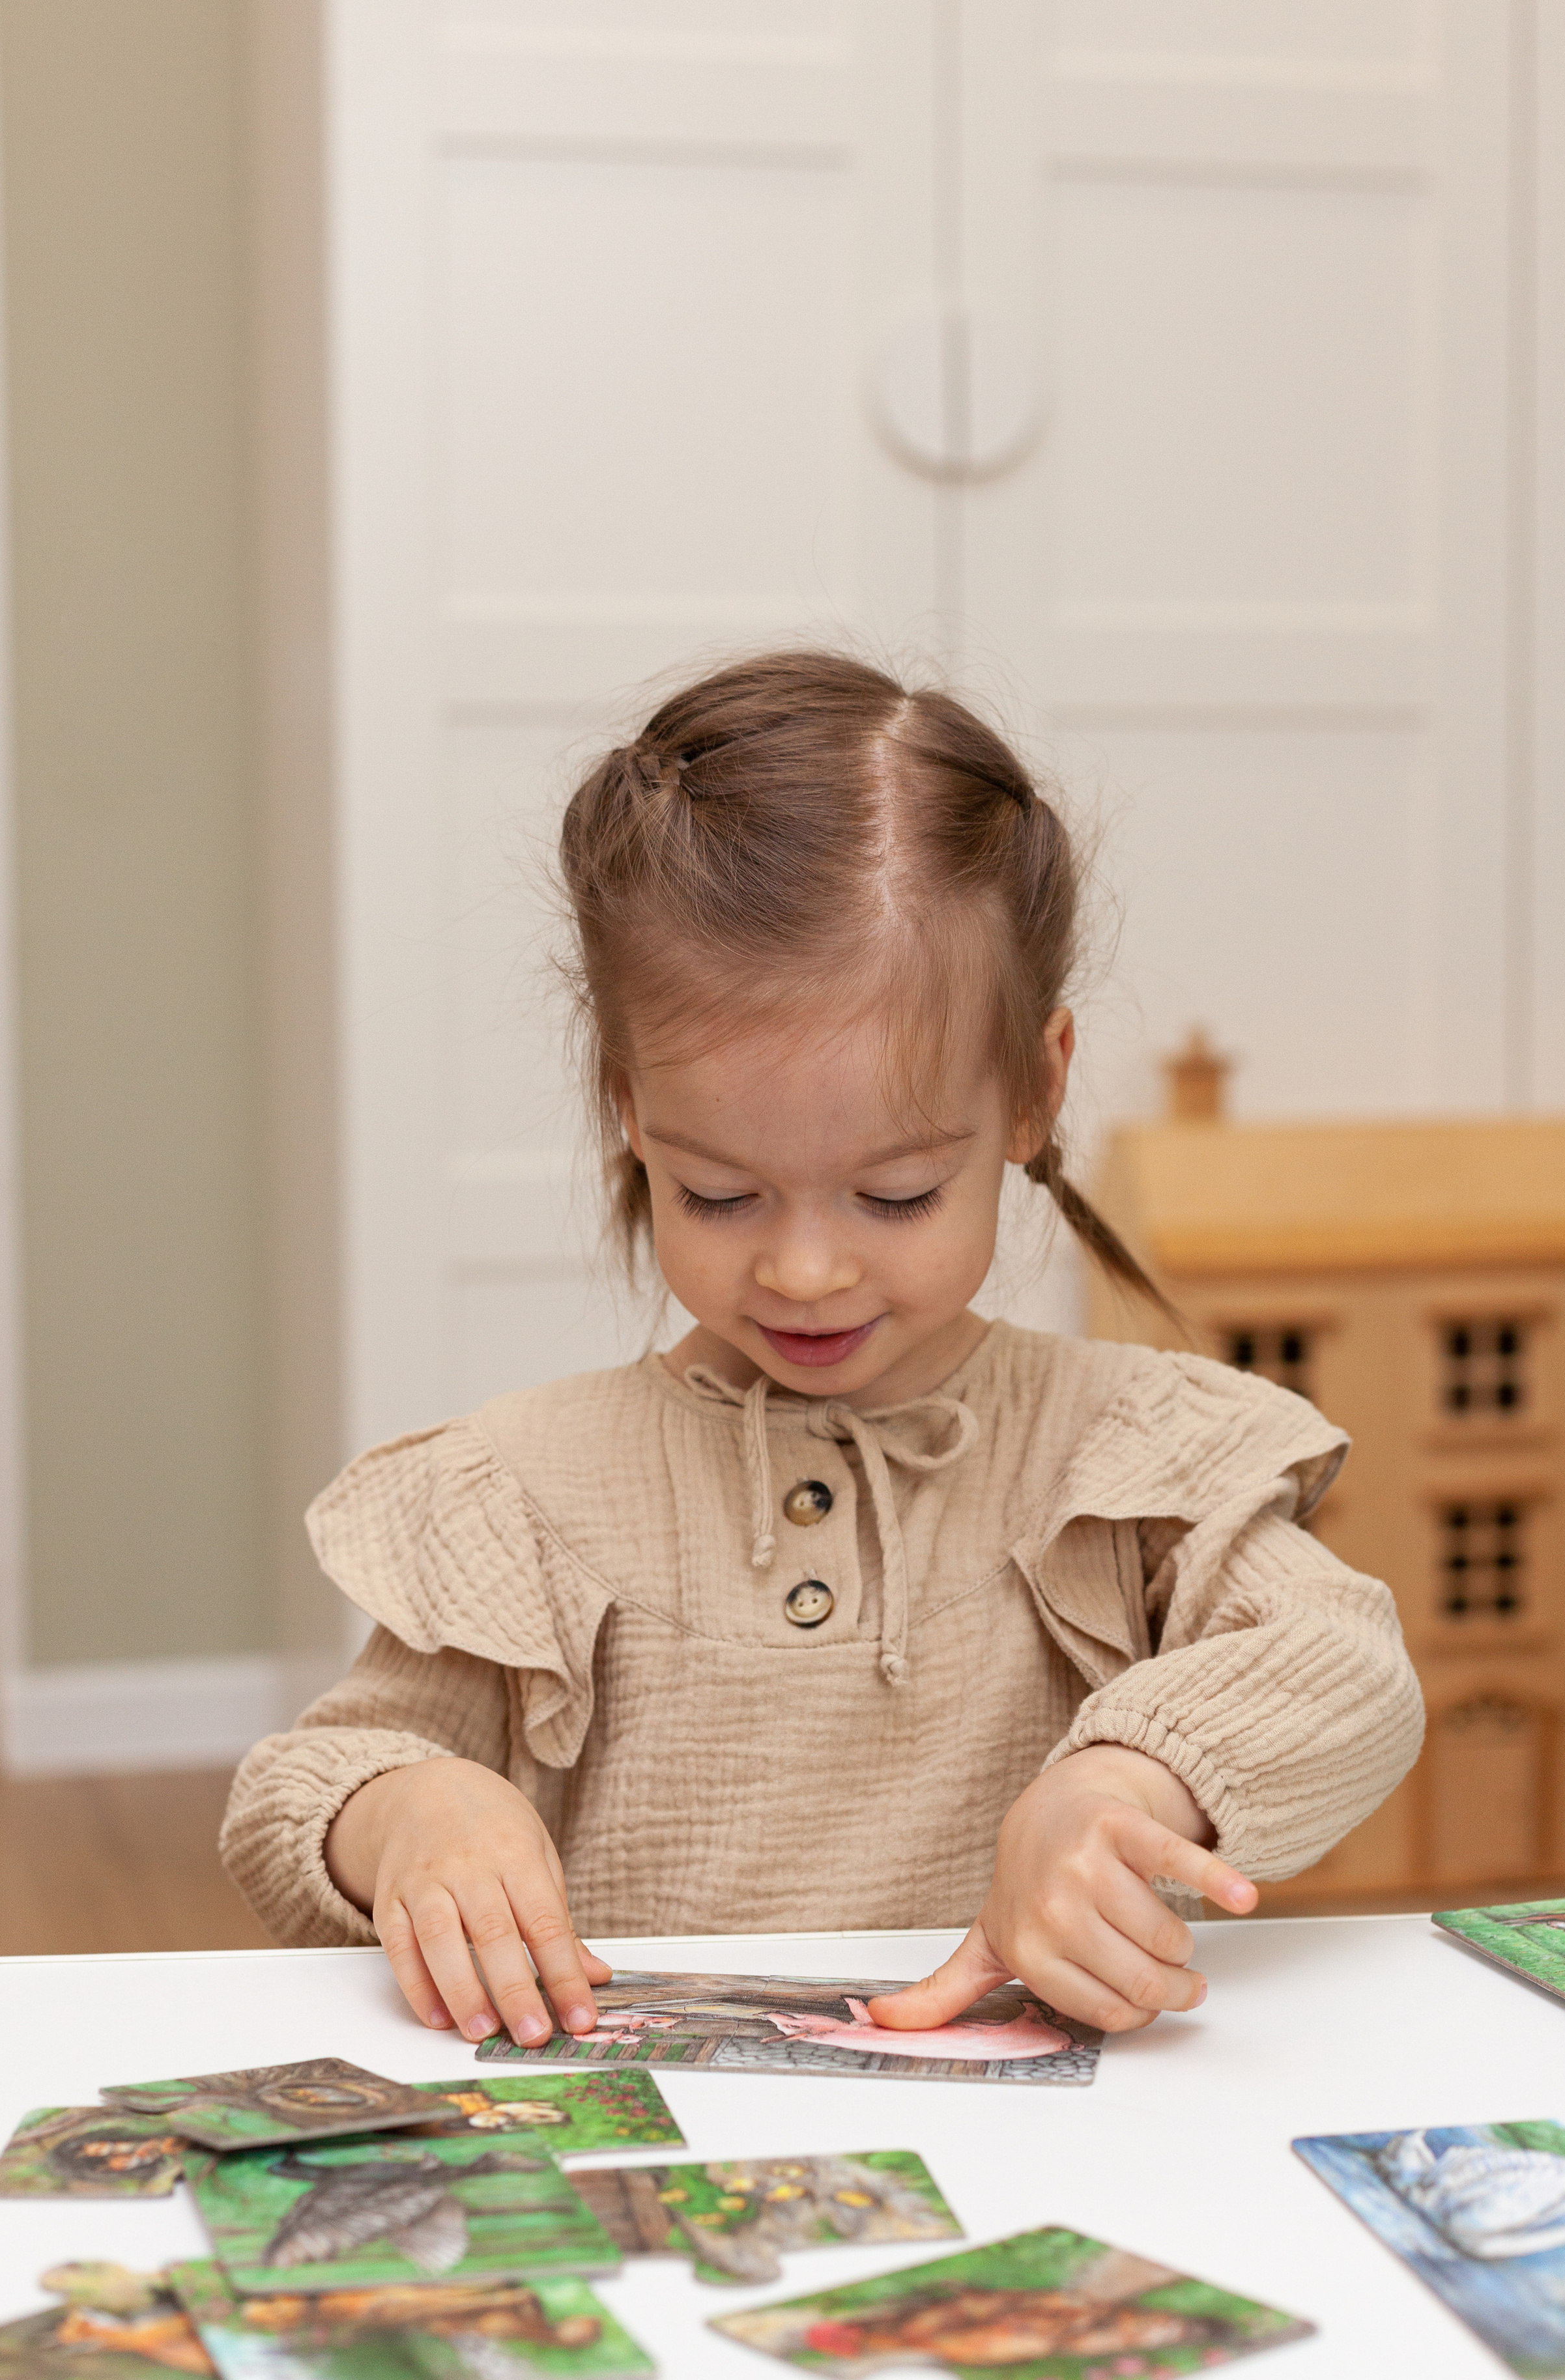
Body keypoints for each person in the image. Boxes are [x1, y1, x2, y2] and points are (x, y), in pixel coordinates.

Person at [221, 651, 1421, 2051]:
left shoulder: (1128, 1455)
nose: (801, 1268)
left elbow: (1343, 1664)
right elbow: (300, 1785)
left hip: (1048, 2176)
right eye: (718, 1195)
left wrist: (1120, 1787)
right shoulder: (524, 1484)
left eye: (895, 1194)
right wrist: (409, 1813)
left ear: (1034, 1091)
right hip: (645, 2168)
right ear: (628, 1110)